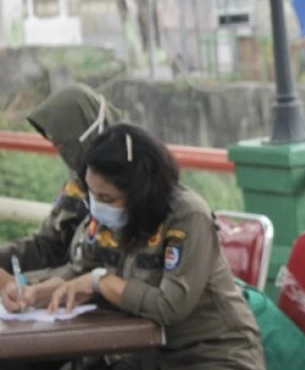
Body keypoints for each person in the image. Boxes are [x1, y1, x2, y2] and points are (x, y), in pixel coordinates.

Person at [4, 123, 266, 370]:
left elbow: (169, 306)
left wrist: (102, 282)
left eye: (106, 197)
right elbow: (81, 269)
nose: (96, 205)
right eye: (92, 195)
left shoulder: (187, 217)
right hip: (148, 356)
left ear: (141, 192)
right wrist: (35, 294)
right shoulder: (110, 216)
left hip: (212, 356)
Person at [0, 83, 120, 288]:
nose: (61, 154)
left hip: (105, 301)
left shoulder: (126, 183)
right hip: (62, 293)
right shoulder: (77, 183)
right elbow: (48, 246)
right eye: (55, 145)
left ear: (84, 133)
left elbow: (94, 271)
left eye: (63, 145)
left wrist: (22, 283)